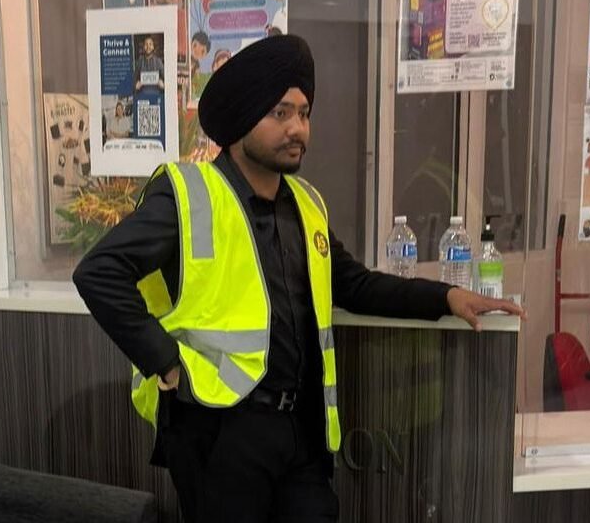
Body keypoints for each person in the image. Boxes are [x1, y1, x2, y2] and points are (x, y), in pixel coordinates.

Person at [73, 34, 523, 523]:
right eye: (280, 114)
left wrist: (448, 295)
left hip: (301, 429)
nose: (298, 129)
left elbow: (353, 284)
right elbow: (99, 273)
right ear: (244, 120)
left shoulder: (305, 203)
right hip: (219, 430)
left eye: (304, 114)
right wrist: (167, 364)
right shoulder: (190, 194)